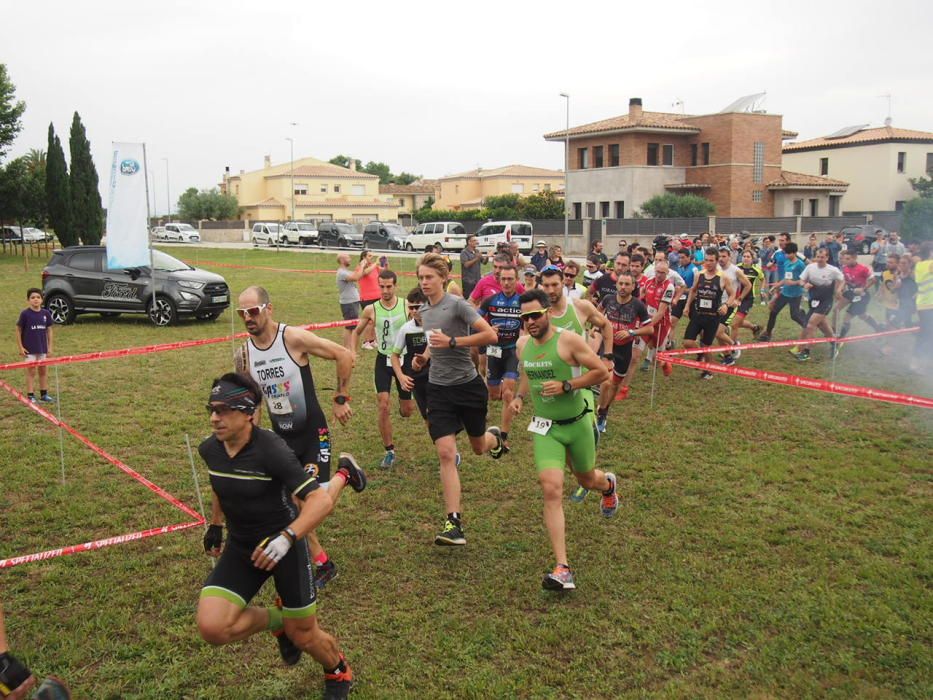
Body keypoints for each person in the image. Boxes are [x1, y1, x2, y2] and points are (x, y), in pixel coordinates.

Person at [196, 373, 355, 700]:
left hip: (285, 546)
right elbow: (220, 484)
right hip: (243, 548)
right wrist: (216, 524)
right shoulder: (210, 449)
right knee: (212, 627)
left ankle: (337, 670)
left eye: (224, 410)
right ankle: (277, 621)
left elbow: (319, 501)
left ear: (249, 413)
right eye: (211, 409)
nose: (215, 418)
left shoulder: (271, 450)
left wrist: (286, 537)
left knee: (304, 637)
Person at [234, 286, 364, 591]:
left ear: (269, 309)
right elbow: (252, 403)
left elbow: (344, 355)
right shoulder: (244, 355)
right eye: (242, 313)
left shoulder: (291, 338)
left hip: (312, 433)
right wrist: (253, 439)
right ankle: (323, 563)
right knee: (289, 504)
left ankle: (346, 473)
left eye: (253, 311)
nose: (248, 318)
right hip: (282, 436)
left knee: (311, 503)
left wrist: (341, 397)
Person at [508, 288, 617, 591]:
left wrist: (568, 384)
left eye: (534, 315)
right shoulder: (523, 346)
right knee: (551, 488)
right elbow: (529, 371)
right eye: (524, 317)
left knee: (586, 480)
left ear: (547, 312)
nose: (530, 322)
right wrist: (519, 397)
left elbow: (602, 373)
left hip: (578, 424)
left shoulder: (568, 341)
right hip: (548, 428)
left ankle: (607, 486)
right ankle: (562, 567)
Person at [414, 253, 503, 546]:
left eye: (429, 277)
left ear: (443, 278)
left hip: (467, 386)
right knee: (445, 452)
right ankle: (453, 523)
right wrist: (423, 358)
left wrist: (454, 342)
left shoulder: (458, 305)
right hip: (438, 389)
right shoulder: (425, 310)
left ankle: (494, 439)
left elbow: (490, 336)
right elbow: (433, 342)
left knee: (478, 447)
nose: (424, 282)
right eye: (421, 277)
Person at [349, 269, 413, 469]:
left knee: (407, 411)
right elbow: (356, 332)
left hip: (404, 362)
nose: (385, 290)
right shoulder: (371, 309)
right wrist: (352, 351)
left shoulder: (406, 306)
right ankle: (389, 450)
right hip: (383, 360)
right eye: (382, 286)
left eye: (389, 286)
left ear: (395, 286)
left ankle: (405, 405)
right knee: (383, 404)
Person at [595, 273, 653, 428]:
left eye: (627, 284)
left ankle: (605, 409)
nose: (623, 287)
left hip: (625, 348)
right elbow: (597, 312)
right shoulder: (608, 299)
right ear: (616, 284)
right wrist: (595, 326)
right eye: (620, 283)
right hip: (608, 345)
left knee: (614, 385)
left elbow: (650, 328)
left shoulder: (638, 305)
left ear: (633, 286)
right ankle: (599, 412)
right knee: (606, 381)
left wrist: (631, 332)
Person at [478, 263, 523, 450]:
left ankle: (504, 436)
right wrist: (488, 329)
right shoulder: (490, 301)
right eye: (503, 279)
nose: (506, 282)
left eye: (510, 279)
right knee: (494, 393)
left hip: (513, 350)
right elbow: (475, 320)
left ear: (516, 280)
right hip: (494, 350)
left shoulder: (523, 301)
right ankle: (488, 406)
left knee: (508, 392)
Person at [683, 247, 735, 380]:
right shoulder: (699, 275)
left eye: (711, 260)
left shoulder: (723, 277)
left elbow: (732, 294)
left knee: (707, 346)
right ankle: (700, 354)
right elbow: (693, 291)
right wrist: (687, 306)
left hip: (712, 317)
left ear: (717, 261)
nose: (708, 263)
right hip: (698, 314)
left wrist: (725, 305)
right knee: (688, 342)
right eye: (706, 260)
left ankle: (709, 370)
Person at [792, 247, 845, 361]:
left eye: (822, 257)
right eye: (818, 257)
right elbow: (801, 280)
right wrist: (804, 285)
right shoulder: (810, 267)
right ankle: (835, 343)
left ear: (827, 258)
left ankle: (806, 352)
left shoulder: (833, 270)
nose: (820, 259)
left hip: (826, 301)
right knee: (822, 325)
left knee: (811, 324)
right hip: (813, 300)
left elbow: (842, 279)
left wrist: (839, 290)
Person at [391, 288, 432, 426]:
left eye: (417, 307)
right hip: (417, 378)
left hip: (437, 376)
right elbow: (394, 355)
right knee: (427, 417)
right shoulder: (406, 329)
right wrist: (401, 376)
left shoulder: (436, 325)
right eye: (411, 307)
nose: (414, 311)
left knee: (440, 413)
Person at [758, 242, 807, 342]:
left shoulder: (800, 265)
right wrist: (777, 285)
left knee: (794, 316)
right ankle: (768, 334)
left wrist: (794, 283)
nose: (787, 255)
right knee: (773, 312)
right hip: (785, 293)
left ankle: (808, 328)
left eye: (789, 253)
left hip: (795, 295)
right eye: (786, 253)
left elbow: (805, 279)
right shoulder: (787, 263)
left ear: (795, 253)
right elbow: (786, 278)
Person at [15, 288, 54, 404]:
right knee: (31, 371)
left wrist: (50, 347)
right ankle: (30, 395)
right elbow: (18, 330)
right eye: (32, 297)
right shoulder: (25, 314)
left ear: (42, 299)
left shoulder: (46, 313)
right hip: (29, 349)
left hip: (42, 348)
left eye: (38, 297)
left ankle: (44, 394)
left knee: (43, 371)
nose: (35, 299)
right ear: (28, 300)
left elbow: (49, 330)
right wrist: (21, 347)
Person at [836, 249, 881, 347]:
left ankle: (840, 339)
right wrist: (839, 289)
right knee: (837, 309)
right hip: (851, 293)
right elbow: (845, 280)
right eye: (845, 259)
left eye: (848, 259)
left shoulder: (863, 269)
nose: (846, 261)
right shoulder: (845, 268)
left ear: (855, 258)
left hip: (861, 296)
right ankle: (833, 332)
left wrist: (863, 288)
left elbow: (873, 280)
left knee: (848, 317)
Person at [335, 253, 376, 350]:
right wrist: (362, 265)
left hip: (352, 302)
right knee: (350, 327)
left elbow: (360, 275)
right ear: (341, 260)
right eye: (348, 257)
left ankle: (348, 348)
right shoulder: (342, 273)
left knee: (351, 326)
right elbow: (356, 277)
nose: (350, 259)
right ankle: (347, 349)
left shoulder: (346, 271)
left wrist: (364, 266)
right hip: (349, 303)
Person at [731, 250, 764, 342]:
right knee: (738, 322)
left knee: (734, 324)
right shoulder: (736, 268)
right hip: (735, 298)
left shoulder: (756, 270)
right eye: (744, 256)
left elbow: (762, 279)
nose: (746, 258)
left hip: (747, 300)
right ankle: (755, 328)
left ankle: (730, 348)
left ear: (752, 259)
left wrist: (762, 290)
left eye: (748, 257)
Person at [912, 242, 933, 372]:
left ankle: (923, 361)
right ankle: (916, 362)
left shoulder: (919, 265)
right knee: (926, 335)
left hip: (922, 304)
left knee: (926, 334)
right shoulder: (931, 264)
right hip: (929, 305)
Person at [356, 250, 381, 349]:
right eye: (369, 256)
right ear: (364, 257)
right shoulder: (360, 268)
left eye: (372, 256)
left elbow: (383, 272)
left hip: (377, 296)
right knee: (369, 321)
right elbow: (365, 273)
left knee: (375, 321)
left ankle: (372, 340)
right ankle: (366, 342)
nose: (372, 257)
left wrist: (384, 264)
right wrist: (376, 264)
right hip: (366, 298)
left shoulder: (374, 267)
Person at [459, 234, 488, 300]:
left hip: (477, 280)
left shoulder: (477, 251)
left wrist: (488, 256)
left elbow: (484, 262)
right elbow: (466, 265)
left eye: (476, 240)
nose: (476, 242)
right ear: (469, 242)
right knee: (468, 300)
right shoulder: (464, 252)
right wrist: (476, 258)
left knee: (477, 300)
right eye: (474, 240)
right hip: (468, 282)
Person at [878, 254, 901, 328]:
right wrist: (880, 294)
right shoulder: (884, 273)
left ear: (897, 264)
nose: (888, 264)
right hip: (888, 303)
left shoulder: (900, 274)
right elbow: (882, 285)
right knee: (889, 324)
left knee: (894, 324)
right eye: (887, 262)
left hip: (898, 304)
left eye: (891, 262)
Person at [758, 235, 777, 304]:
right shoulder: (761, 250)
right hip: (765, 269)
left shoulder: (773, 249)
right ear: (763, 243)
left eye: (769, 242)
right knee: (765, 284)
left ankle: (770, 299)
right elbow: (762, 258)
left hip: (773, 268)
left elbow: (775, 258)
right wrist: (768, 250)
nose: (768, 243)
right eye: (766, 242)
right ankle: (763, 299)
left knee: (773, 284)